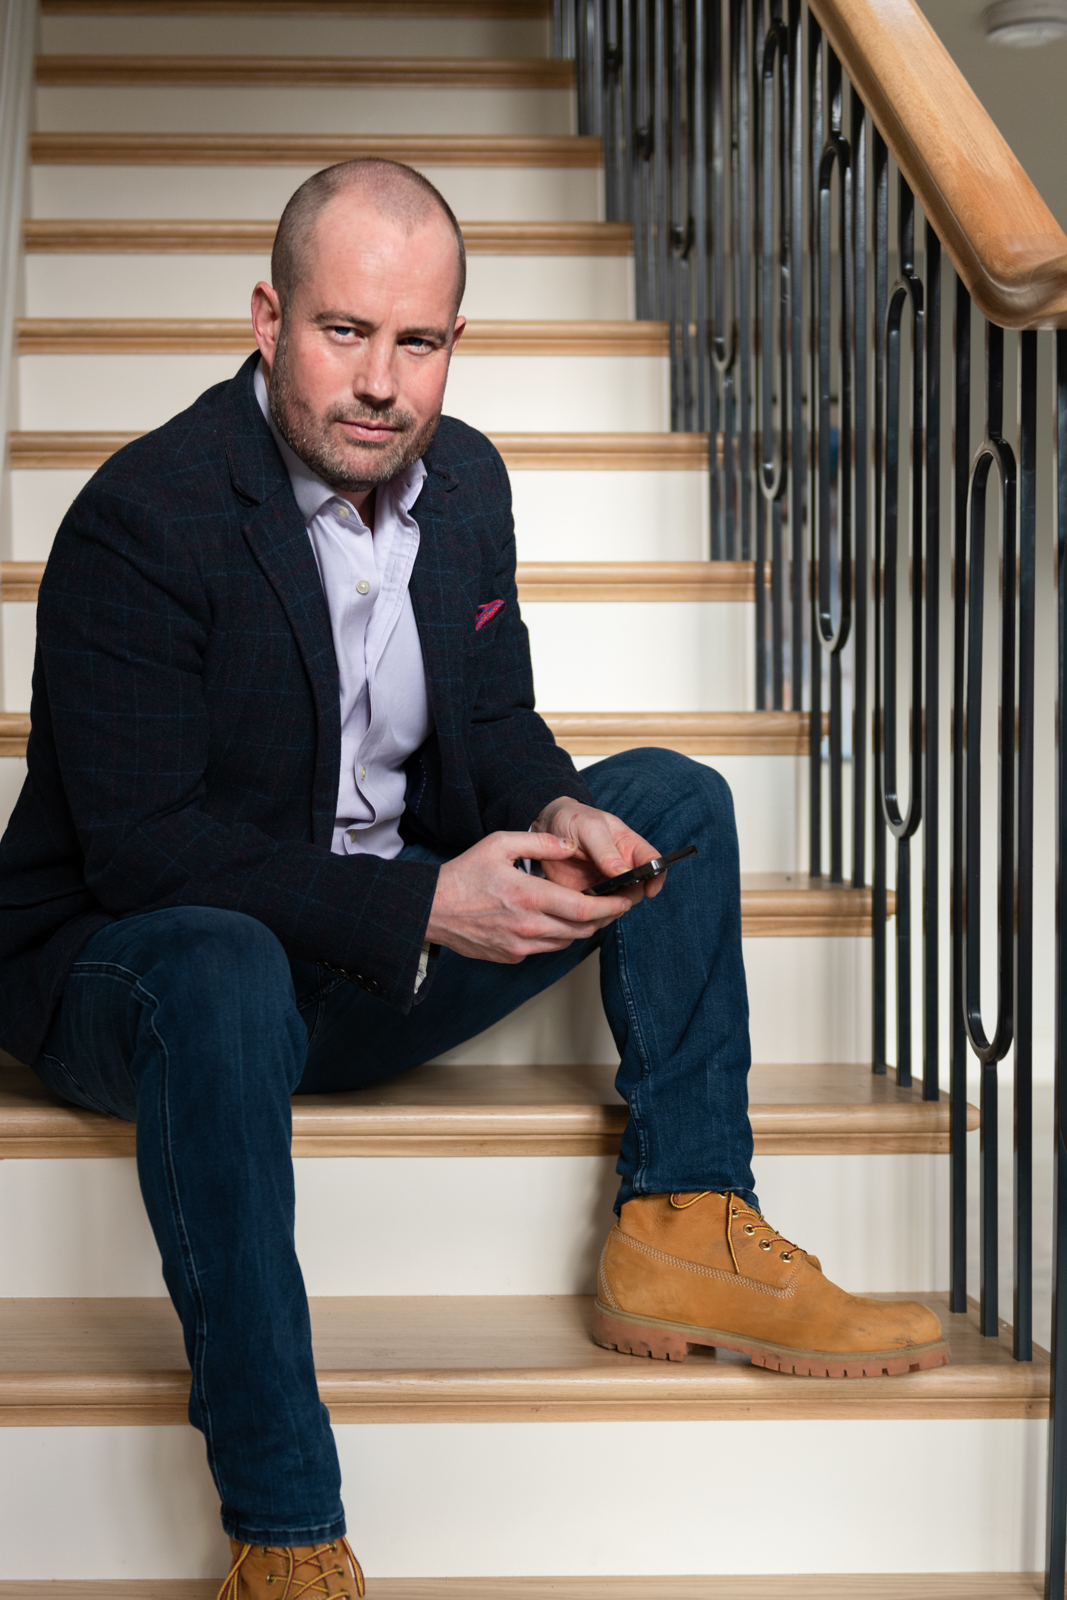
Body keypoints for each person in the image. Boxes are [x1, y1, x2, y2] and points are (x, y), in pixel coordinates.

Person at [0, 159, 947, 1600]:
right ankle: (285, 1528)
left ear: (457, 342)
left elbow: (495, 732)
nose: (381, 383)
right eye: (344, 332)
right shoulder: (146, 515)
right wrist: (426, 904)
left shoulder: (467, 482)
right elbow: (143, 846)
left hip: (357, 962)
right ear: (268, 319)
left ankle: (683, 1218)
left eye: (419, 341)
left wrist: (558, 810)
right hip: (147, 980)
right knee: (223, 964)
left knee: (673, 804)